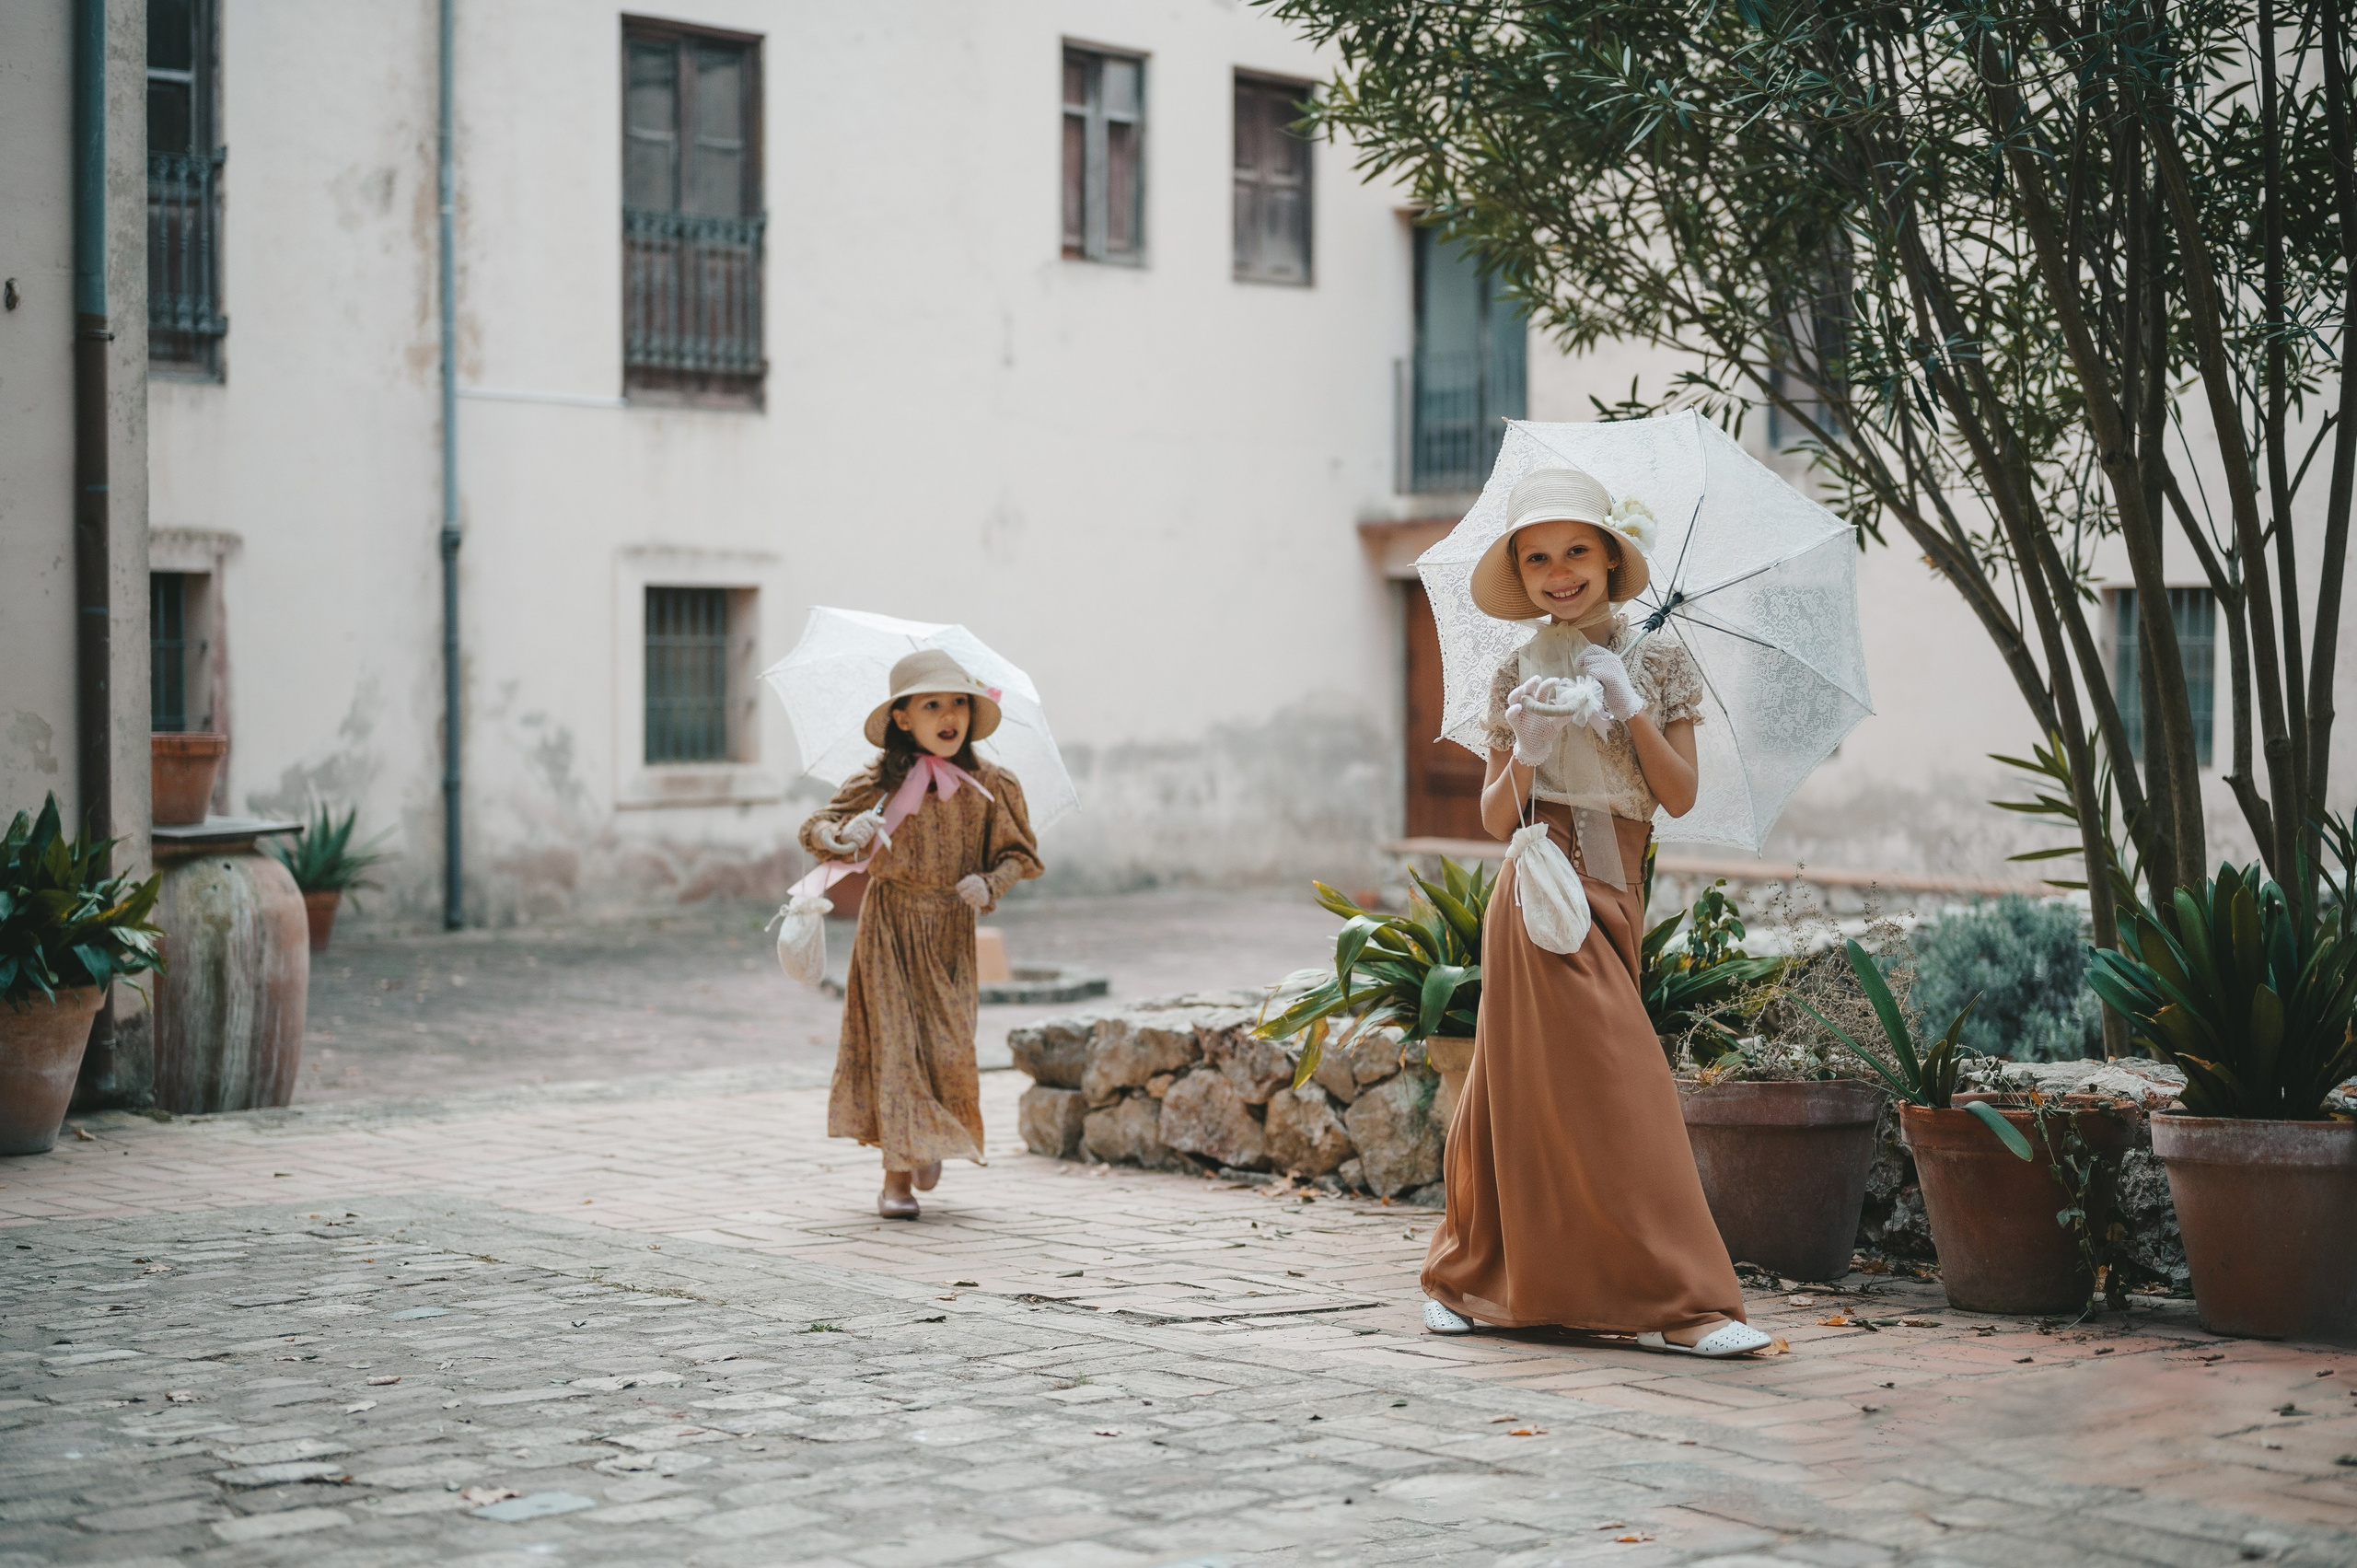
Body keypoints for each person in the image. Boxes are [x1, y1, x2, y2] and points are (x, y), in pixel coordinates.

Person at [1419, 466, 1772, 1358]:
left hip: (1617, 881)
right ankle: (1684, 1305)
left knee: (1567, 1083)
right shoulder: (1514, 668)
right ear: (1522, 576)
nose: (1558, 571)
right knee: (1575, 1085)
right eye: (1536, 558)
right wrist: (1527, 750)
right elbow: (1497, 818)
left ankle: (1476, 1277)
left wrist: (1629, 703)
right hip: (1539, 882)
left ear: (1612, 558)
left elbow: (1679, 797)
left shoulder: (1655, 657)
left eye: (1576, 549)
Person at [799, 650, 1042, 1219]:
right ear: (903, 718)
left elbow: (1020, 855)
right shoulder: (877, 781)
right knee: (896, 1051)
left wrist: (990, 883)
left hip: (951, 932)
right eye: (931, 704)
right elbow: (814, 829)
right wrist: (845, 833)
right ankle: (896, 1181)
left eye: (958, 702)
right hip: (889, 928)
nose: (948, 714)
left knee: (949, 1049)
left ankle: (929, 1134)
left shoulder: (991, 785)